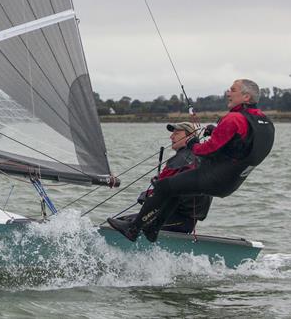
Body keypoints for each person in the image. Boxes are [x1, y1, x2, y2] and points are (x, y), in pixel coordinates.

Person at [108, 79, 274, 243]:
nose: (228, 93)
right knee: (175, 188)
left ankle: (133, 229)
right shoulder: (265, 122)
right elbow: (242, 146)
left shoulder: (234, 119)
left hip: (214, 177)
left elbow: (206, 151)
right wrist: (216, 132)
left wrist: (193, 144)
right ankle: (152, 228)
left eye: (233, 90)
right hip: (231, 182)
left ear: (246, 97)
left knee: (163, 186)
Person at [115, 122, 211, 234]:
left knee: (122, 224)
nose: (171, 137)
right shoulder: (200, 157)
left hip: (178, 218)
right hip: (184, 219)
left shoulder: (181, 160)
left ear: (189, 136)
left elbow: (163, 189)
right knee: (123, 221)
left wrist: (147, 195)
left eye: (176, 133)